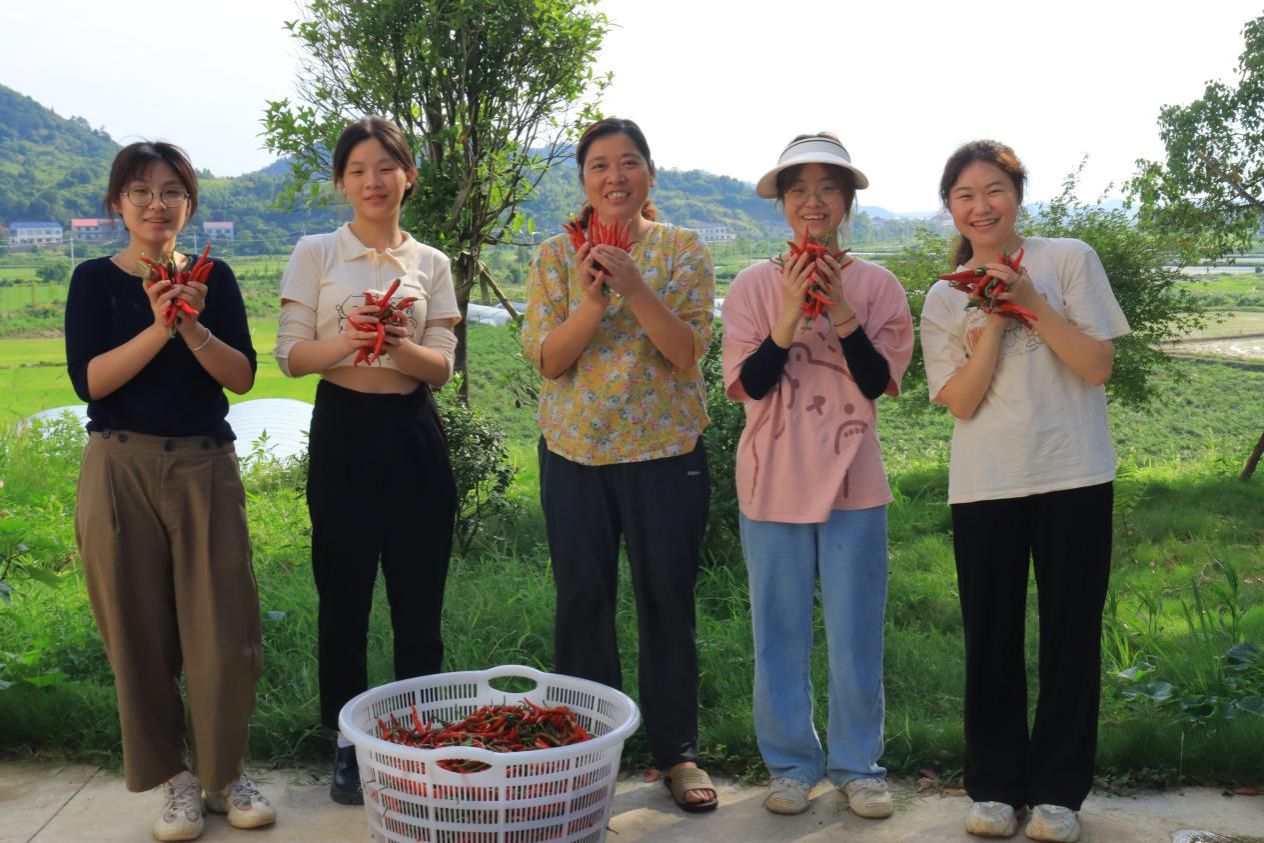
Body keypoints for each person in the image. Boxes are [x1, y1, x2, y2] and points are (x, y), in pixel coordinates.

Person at [919, 140, 1130, 842]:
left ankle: (1059, 793)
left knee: (1071, 633)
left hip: (1075, 472)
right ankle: (996, 788)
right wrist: (996, 319)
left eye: (994, 189)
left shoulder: (1067, 259)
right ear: (950, 207)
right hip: (987, 483)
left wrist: (1030, 299)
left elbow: (1097, 365)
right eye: (965, 195)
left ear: (1018, 192)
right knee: (991, 635)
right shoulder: (945, 295)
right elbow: (964, 402)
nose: (981, 206)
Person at [65, 141, 274, 841]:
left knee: (223, 632)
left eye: (171, 191)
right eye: (141, 190)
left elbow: (241, 376)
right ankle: (175, 781)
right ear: (117, 203)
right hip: (119, 467)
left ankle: (224, 774)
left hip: (204, 465)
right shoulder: (94, 281)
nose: (157, 204)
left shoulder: (217, 277)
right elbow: (91, 381)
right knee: (138, 632)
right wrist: (159, 325)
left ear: (190, 203)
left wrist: (189, 321)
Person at [520, 117, 718, 813]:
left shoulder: (683, 250)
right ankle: (586, 754)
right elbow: (548, 359)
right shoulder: (552, 258)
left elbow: (686, 351)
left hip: (666, 455)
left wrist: (635, 286)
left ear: (650, 175)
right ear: (583, 180)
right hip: (574, 454)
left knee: (667, 600)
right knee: (583, 603)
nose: (614, 176)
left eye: (629, 162)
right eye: (599, 165)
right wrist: (594, 297)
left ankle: (677, 753)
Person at [720, 133, 914, 819]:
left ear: (847, 201)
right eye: (798, 189)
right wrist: (784, 313)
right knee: (777, 628)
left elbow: (876, 379)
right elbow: (750, 383)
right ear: (782, 203)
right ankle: (791, 764)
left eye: (827, 188)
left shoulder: (879, 287)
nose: (812, 201)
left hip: (853, 483)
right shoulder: (749, 286)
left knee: (856, 626)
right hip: (771, 479)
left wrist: (837, 307)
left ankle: (859, 764)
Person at [274, 116, 460, 805]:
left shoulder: (432, 263)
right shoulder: (316, 251)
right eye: (357, 169)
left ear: (409, 175)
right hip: (344, 430)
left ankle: (419, 739)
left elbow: (440, 366)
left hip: (413, 432)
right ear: (341, 182)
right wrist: (353, 341)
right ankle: (349, 743)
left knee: (420, 603)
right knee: (343, 598)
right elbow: (292, 354)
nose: (373, 181)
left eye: (386, 167)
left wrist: (397, 346)